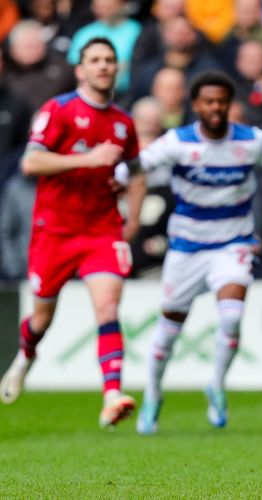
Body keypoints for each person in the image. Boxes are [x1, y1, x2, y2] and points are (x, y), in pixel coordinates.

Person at [134, 70, 262, 434]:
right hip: (186, 248)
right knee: (168, 329)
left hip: (233, 244)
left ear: (229, 105)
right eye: (209, 101)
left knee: (231, 316)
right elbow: (136, 166)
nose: (215, 107)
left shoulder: (252, 140)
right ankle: (153, 394)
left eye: (221, 101)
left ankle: (216, 384)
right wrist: (111, 174)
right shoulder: (177, 142)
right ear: (196, 105)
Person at [0, 37, 145, 429]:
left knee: (108, 308)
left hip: (102, 229)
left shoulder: (123, 122)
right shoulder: (59, 110)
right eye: (95, 60)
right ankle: (26, 355)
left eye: (109, 60)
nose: (103, 66)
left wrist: (132, 215)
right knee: (41, 318)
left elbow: (137, 172)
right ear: (80, 70)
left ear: (117, 68)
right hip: (55, 231)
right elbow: (31, 163)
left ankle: (112, 395)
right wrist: (86, 160)